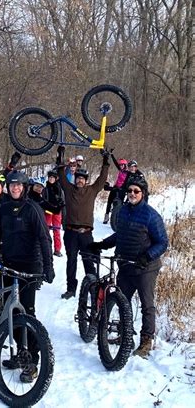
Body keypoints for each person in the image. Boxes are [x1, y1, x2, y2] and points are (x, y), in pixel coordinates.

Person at [88, 176, 168, 358]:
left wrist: (147, 256)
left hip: (146, 267)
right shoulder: (123, 211)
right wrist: (101, 244)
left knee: (147, 304)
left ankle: (146, 341)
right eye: (129, 191)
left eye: (136, 191)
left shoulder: (151, 215)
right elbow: (120, 235)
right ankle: (126, 335)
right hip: (125, 265)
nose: (132, 194)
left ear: (143, 194)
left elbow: (162, 243)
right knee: (123, 301)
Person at [0, 170, 54, 382]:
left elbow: (45, 239)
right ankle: (20, 352)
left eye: (19, 185)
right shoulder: (5, 208)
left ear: (25, 187)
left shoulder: (33, 209)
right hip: (9, 265)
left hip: (30, 267)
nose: (15, 188)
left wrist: (48, 267)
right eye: (12, 185)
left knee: (27, 314)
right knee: (11, 313)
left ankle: (32, 361)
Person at [57, 146, 109, 299]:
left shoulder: (92, 190)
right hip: (71, 233)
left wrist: (106, 160)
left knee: (88, 261)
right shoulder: (68, 189)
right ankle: (71, 289)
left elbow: (102, 178)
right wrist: (60, 155)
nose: (80, 180)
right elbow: (60, 174)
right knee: (71, 261)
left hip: (86, 234)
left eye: (82, 178)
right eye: (78, 178)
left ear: (86, 181)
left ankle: (92, 288)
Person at [43, 169, 65, 257]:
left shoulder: (59, 188)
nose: (51, 179)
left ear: (56, 178)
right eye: (50, 177)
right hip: (47, 212)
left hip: (57, 212)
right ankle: (46, 248)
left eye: (53, 177)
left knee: (56, 230)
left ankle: (57, 249)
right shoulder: (45, 188)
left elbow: (62, 200)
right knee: (45, 230)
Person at [103, 154, 128, 224]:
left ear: (125, 165)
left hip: (122, 190)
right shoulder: (120, 170)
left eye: (123, 165)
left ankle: (117, 218)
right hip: (115, 187)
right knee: (109, 201)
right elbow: (115, 163)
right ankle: (106, 215)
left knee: (120, 204)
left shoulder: (128, 173)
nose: (121, 166)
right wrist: (112, 155)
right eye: (120, 165)